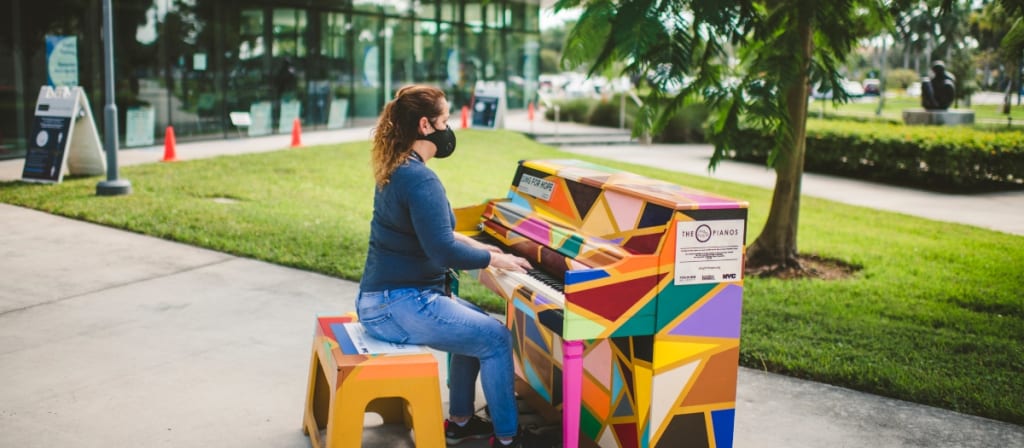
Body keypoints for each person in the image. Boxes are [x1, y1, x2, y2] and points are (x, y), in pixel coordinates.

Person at [356, 84, 542, 447]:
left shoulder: (400, 168)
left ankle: (459, 422)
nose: (449, 128)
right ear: (426, 126)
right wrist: (494, 257)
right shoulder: (420, 178)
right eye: (445, 120)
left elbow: (442, 233)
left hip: (385, 301)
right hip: (398, 305)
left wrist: (487, 248)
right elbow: (442, 250)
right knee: (496, 339)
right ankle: (508, 438)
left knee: (477, 328)